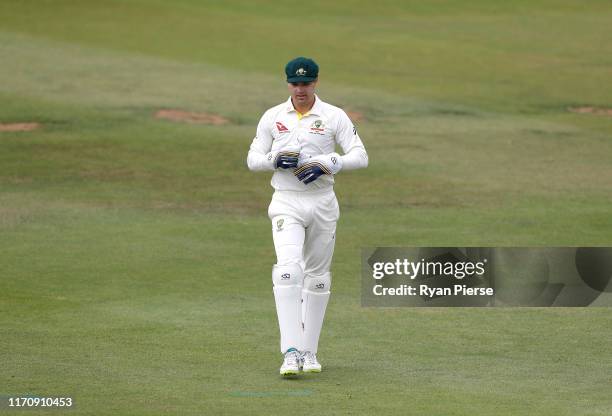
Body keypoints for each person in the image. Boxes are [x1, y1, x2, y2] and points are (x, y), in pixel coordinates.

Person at [247, 57, 368, 376]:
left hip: (323, 201)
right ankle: (290, 352)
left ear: (316, 82)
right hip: (286, 200)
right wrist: (277, 159)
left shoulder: (333, 116)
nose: (300, 89)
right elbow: (253, 158)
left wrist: (329, 162)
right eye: (295, 84)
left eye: (306, 83)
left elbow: (360, 155)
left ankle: (309, 353)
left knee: (317, 276)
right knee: (287, 271)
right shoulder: (273, 116)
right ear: (287, 84)